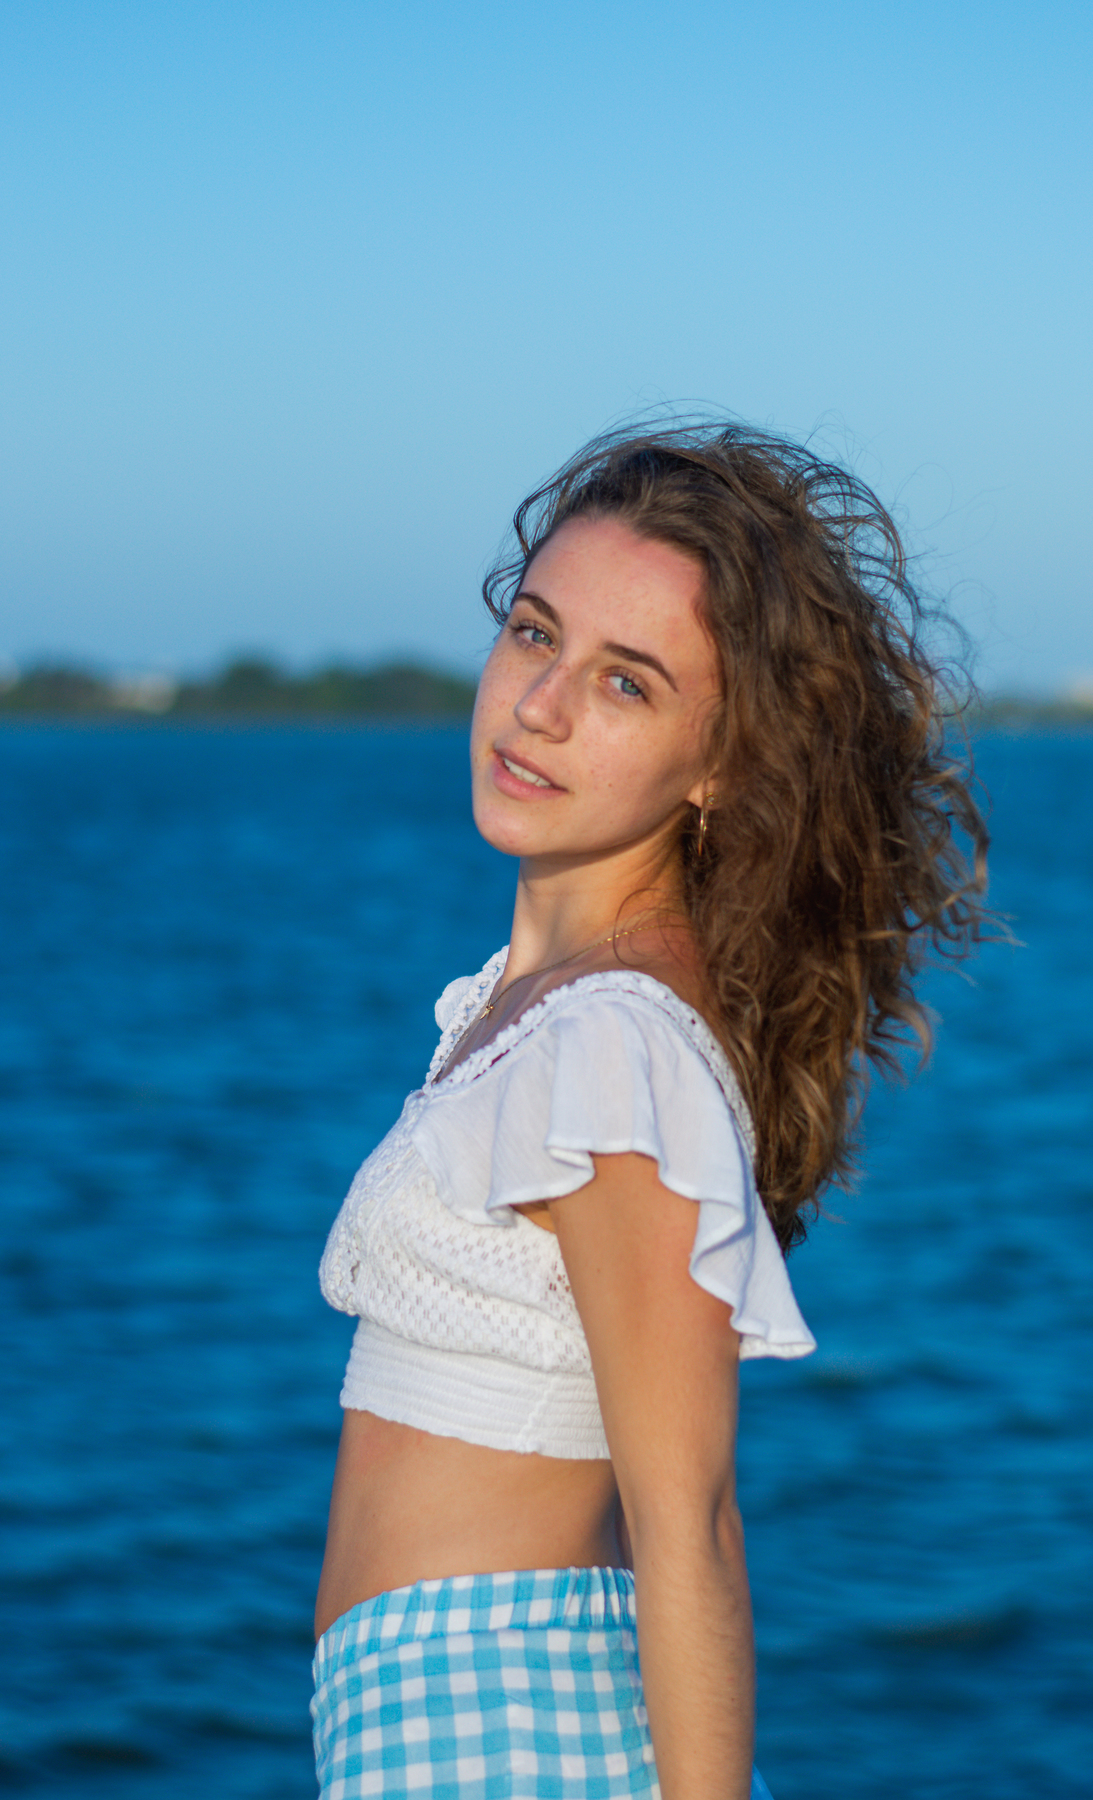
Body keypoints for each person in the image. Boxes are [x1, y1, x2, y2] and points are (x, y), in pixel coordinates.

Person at [311, 421, 988, 1799]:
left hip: (505, 1728)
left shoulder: (612, 1051)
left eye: (625, 682)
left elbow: (691, 1528)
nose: (540, 707)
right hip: (434, 1718)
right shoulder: (533, 1006)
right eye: (535, 635)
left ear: (721, 762)